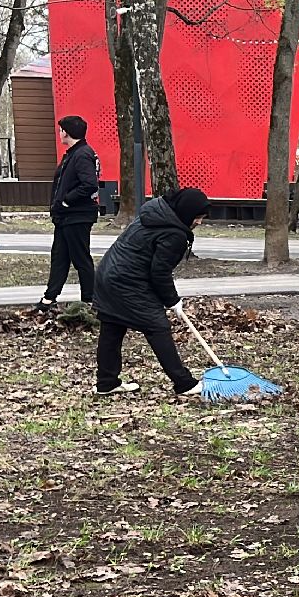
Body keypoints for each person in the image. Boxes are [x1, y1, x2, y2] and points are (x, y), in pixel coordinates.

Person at [92, 188, 209, 396]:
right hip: (127, 281)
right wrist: (172, 300)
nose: (199, 222)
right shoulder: (174, 234)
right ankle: (184, 383)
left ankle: (106, 383)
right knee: (157, 326)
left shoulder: (156, 213)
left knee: (112, 326)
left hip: (107, 273)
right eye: (197, 217)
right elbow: (159, 272)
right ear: (185, 213)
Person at [40, 116, 101, 310]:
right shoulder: (74, 153)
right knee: (59, 257)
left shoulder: (82, 154)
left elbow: (89, 185)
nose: (59, 133)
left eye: (60, 130)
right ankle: (49, 298)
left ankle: (90, 299)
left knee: (80, 258)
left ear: (66, 132)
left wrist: (66, 200)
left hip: (77, 216)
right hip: (66, 217)